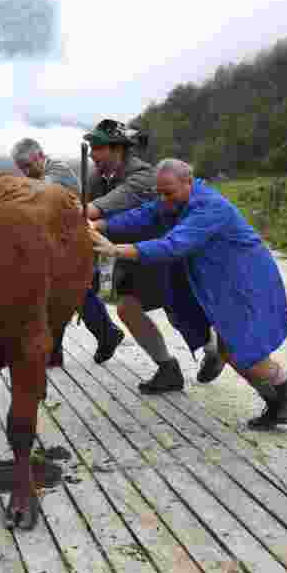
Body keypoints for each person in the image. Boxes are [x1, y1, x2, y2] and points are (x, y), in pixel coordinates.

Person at [89, 159, 287, 429]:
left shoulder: (208, 208)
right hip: (216, 280)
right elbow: (143, 214)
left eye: (168, 192)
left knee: (239, 349)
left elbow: (173, 245)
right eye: (160, 193)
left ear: (188, 182)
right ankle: (278, 400)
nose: (163, 200)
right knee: (231, 348)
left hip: (244, 279)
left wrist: (117, 250)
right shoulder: (174, 200)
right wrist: (100, 226)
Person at [82, 119, 220, 391]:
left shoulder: (143, 176)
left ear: (118, 149)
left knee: (179, 311)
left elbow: (100, 208)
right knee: (128, 309)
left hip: (161, 255)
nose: (92, 153)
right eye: (91, 147)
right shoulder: (97, 177)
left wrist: (76, 216)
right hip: (129, 258)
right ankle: (168, 368)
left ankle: (213, 349)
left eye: (97, 146)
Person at [10, 137, 123, 366]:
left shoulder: (57, 171)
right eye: (22, 169)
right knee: (60, 293)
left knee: (73, 292)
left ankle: (107, 333)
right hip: (59, 240)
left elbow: (41, 194)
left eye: (29, 167)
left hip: (73, 239)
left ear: (40, 157)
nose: (26, 173)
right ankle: (57, 351)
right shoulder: (41, 174)